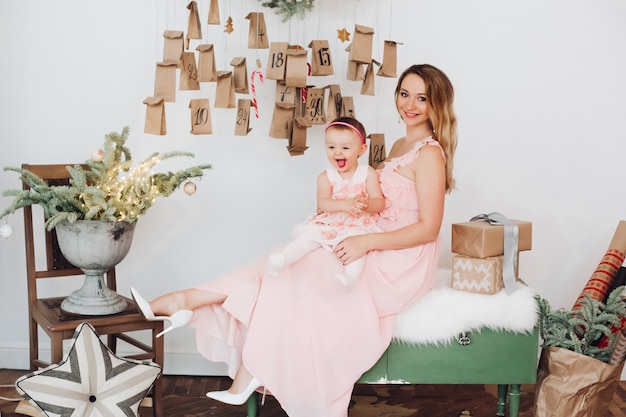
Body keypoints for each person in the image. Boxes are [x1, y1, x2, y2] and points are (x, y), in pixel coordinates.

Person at [131, 63, 457, 417]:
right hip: (371, 234)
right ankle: (190, 302)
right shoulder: (400, 142)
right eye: (404, 94)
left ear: (436, 104)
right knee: (283, 260)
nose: (409, 104)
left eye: (421, 98)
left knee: (304, 270)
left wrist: (366, 242)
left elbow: (428, 228)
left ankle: (236, 351)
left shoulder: (429, 153)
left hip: (401, 255)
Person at [266, 116, 385, 289]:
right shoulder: (325, 176)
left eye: (345, 147)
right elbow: (323, 203)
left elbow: (379, 202)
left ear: (362, 149)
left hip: (356, 223)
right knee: (308, 239)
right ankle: (282, 259)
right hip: (331, 222)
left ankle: (350, 278)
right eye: (331, 147)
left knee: (355, 248)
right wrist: (345, 205)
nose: (337, 153)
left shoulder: (368, 173)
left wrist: (367, 205)